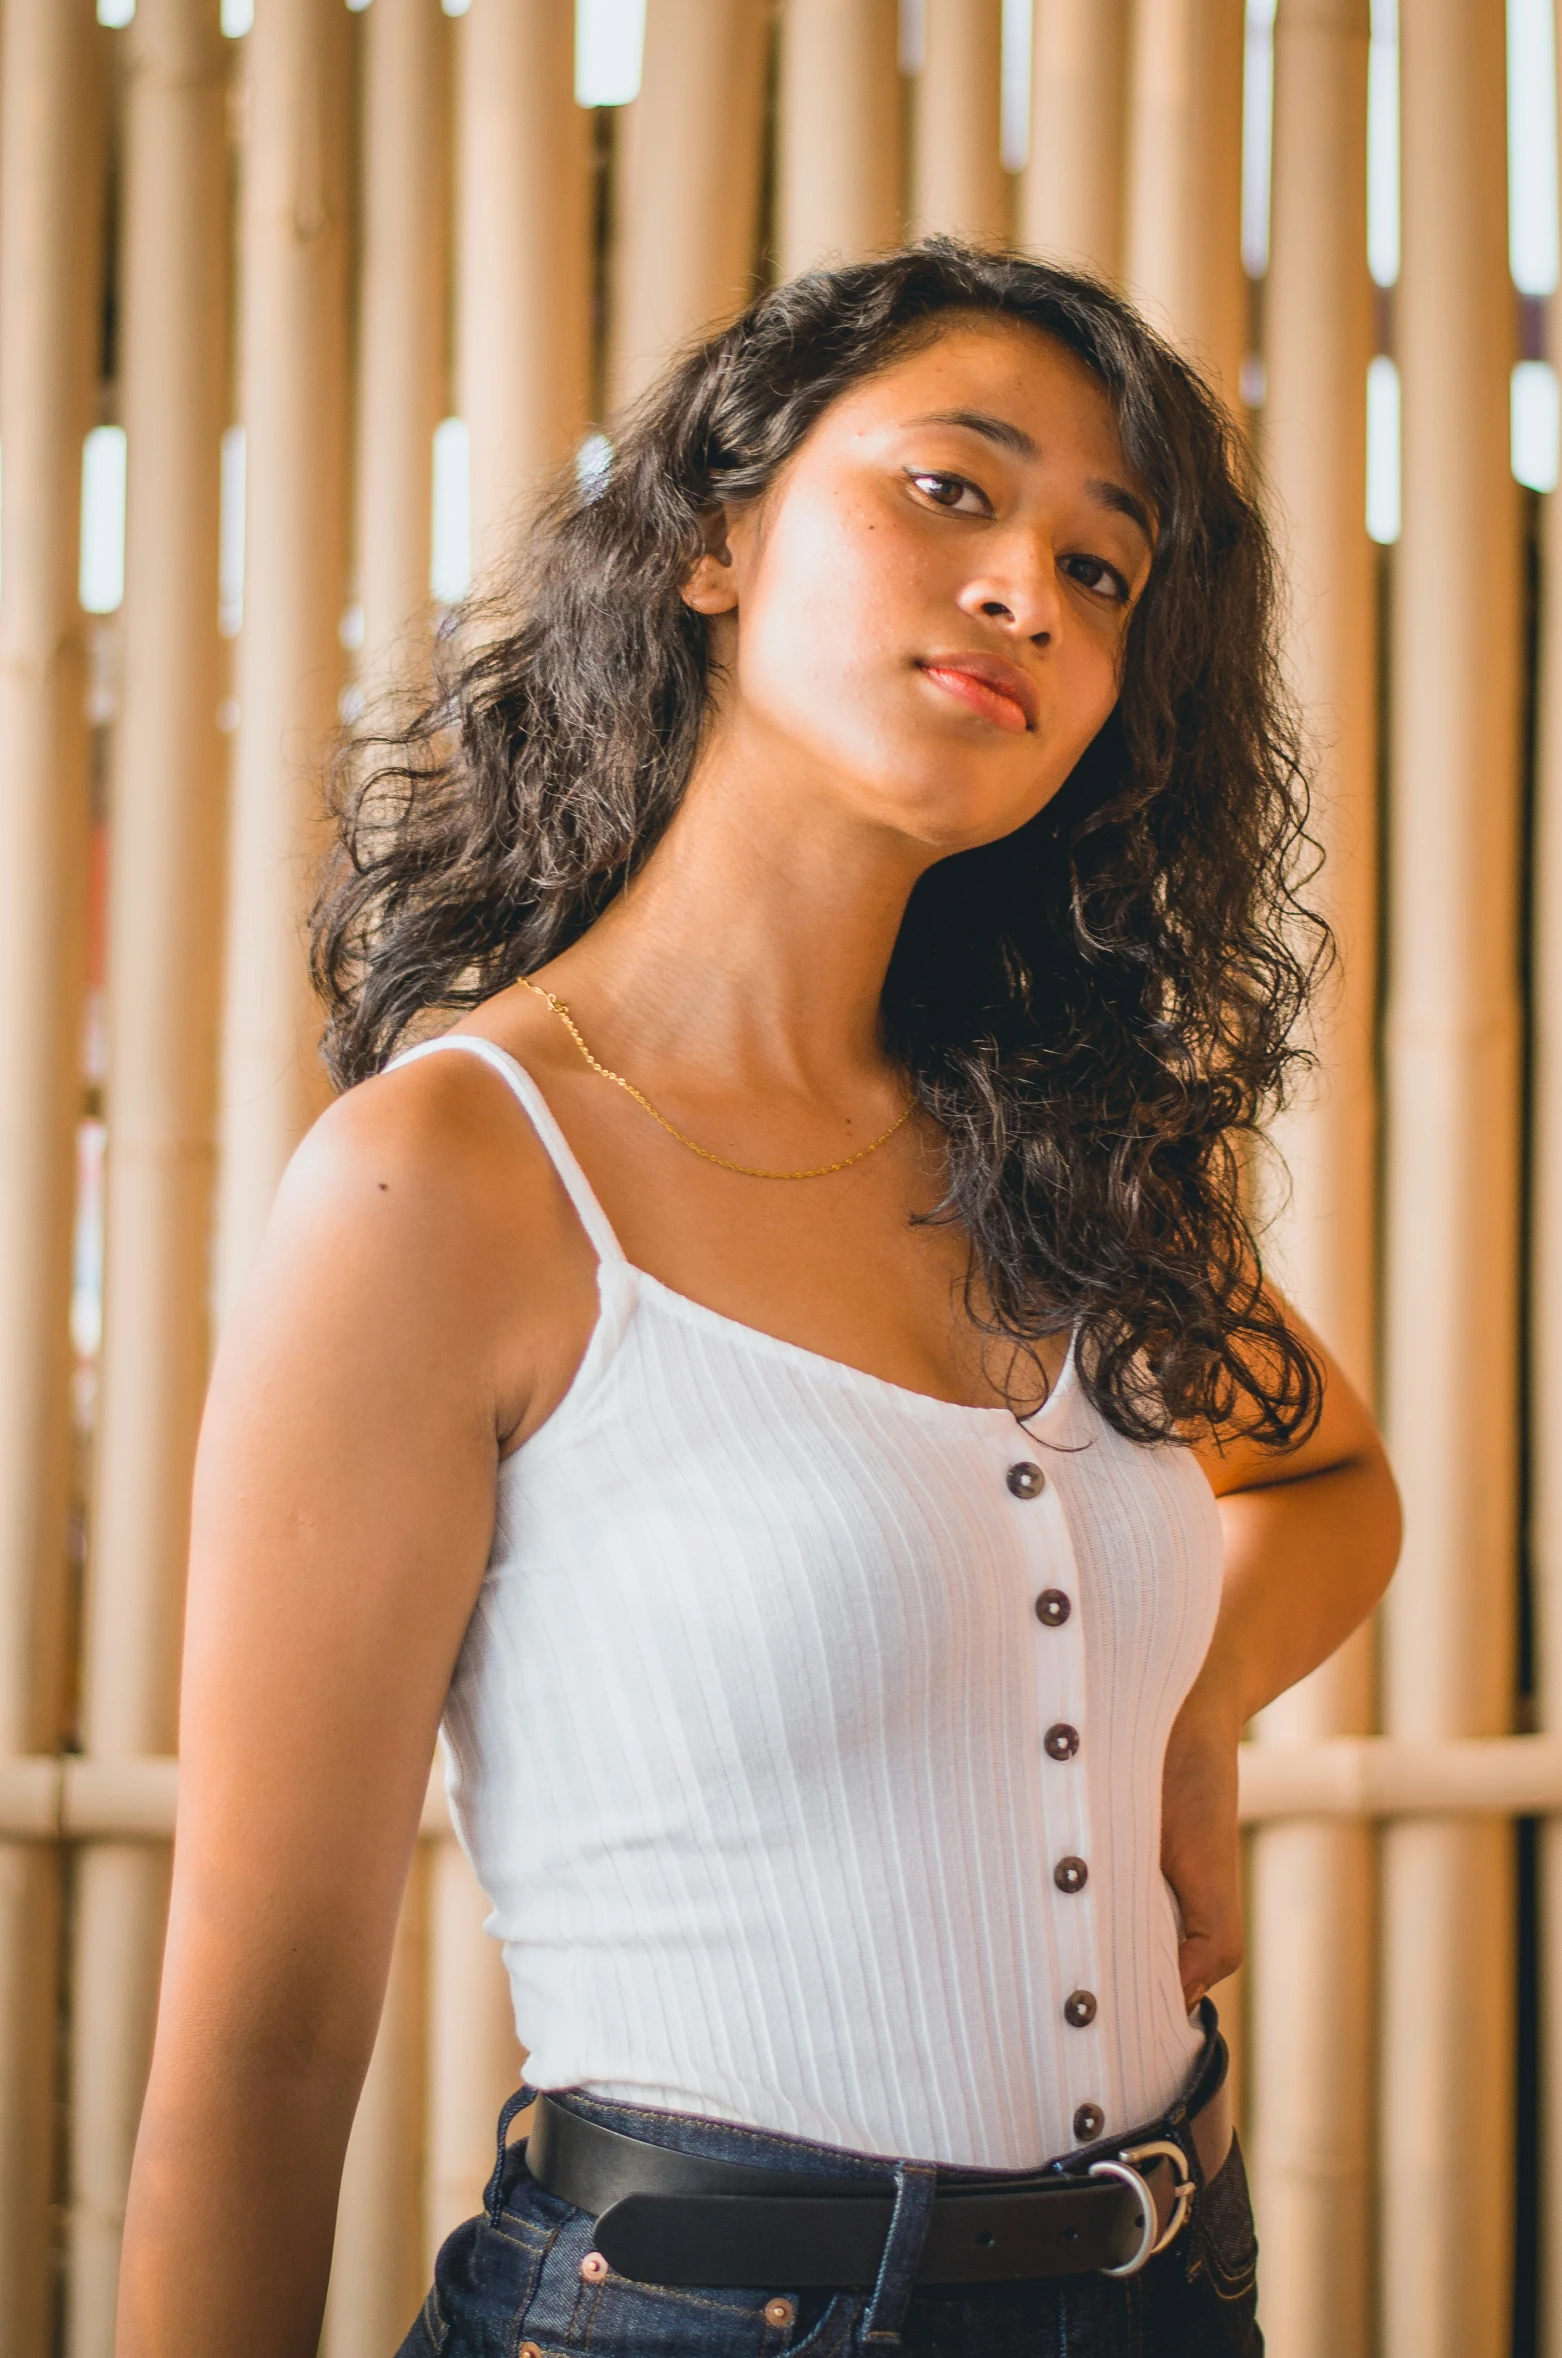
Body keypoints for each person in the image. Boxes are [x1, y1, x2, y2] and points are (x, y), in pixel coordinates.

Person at [117, 241, 1400, 2358]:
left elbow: (1334, 1476)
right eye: (952, 493)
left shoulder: (1070, 1154)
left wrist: (1186, 1702)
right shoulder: (444, 1185)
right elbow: (256, 2050)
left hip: (1175, 2284)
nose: (1029, 596)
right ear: (716, 540)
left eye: (1104, 574)